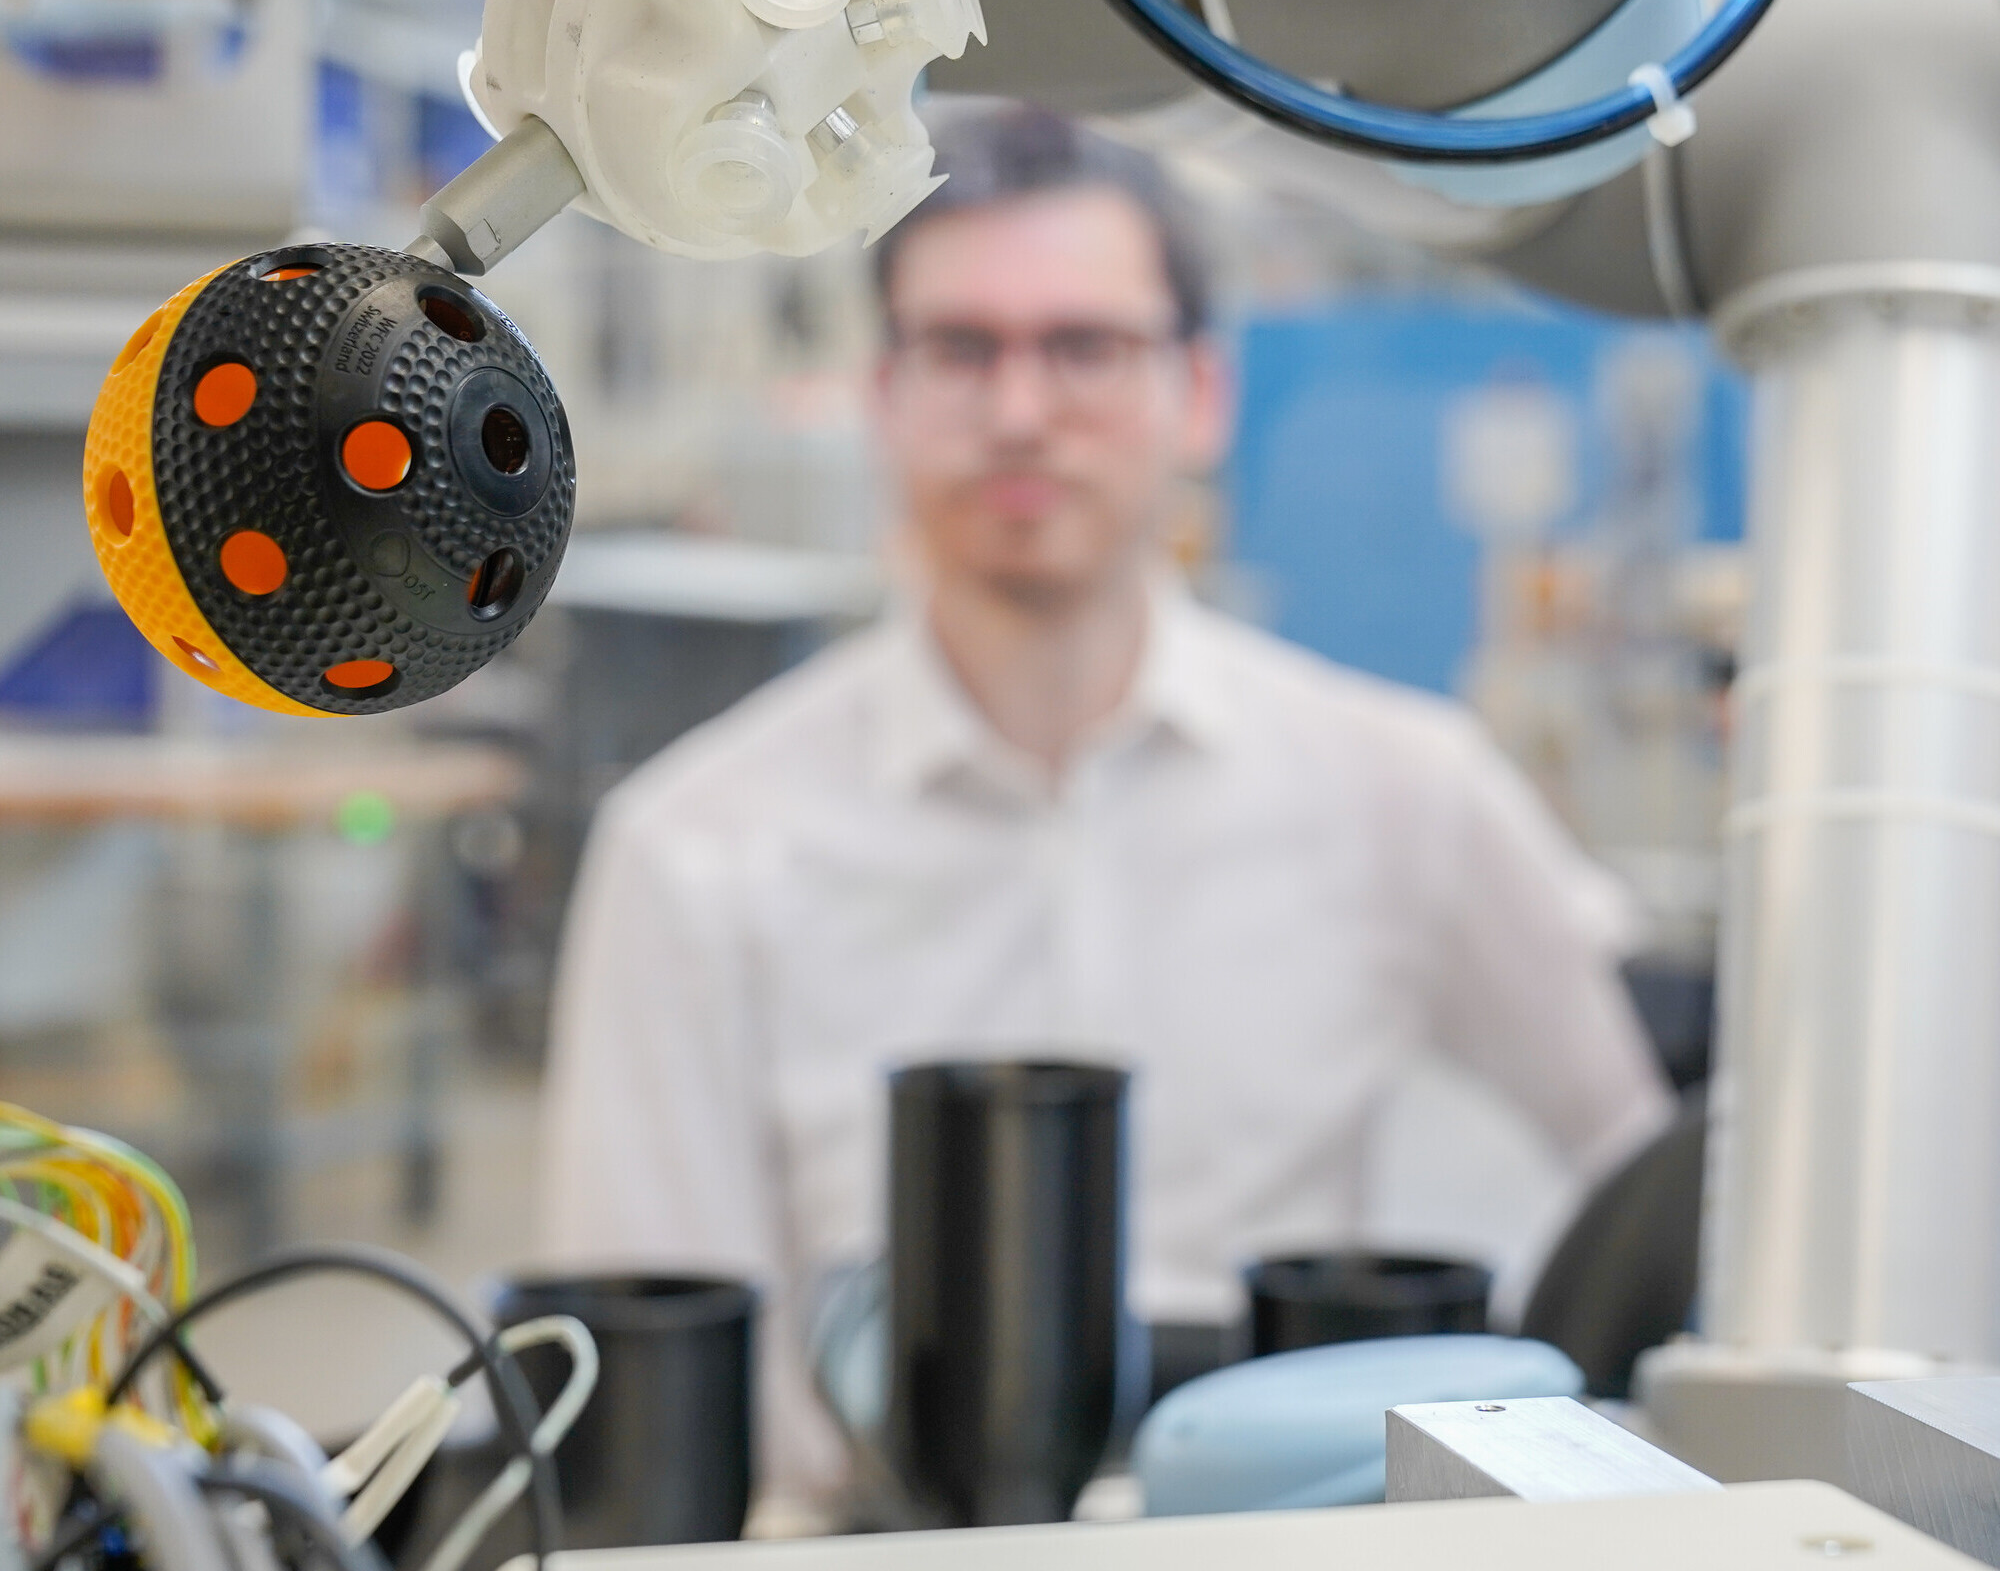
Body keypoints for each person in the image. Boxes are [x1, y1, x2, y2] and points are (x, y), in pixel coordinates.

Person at [537, 103, 1672, 1518]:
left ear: (1202, 392)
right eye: (964, 349)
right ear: (882, 393)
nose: (1023, 410)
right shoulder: (696, 848)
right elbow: (645, 1376)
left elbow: (1650, 1181)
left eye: (1086, 346)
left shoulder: (1402, 793)